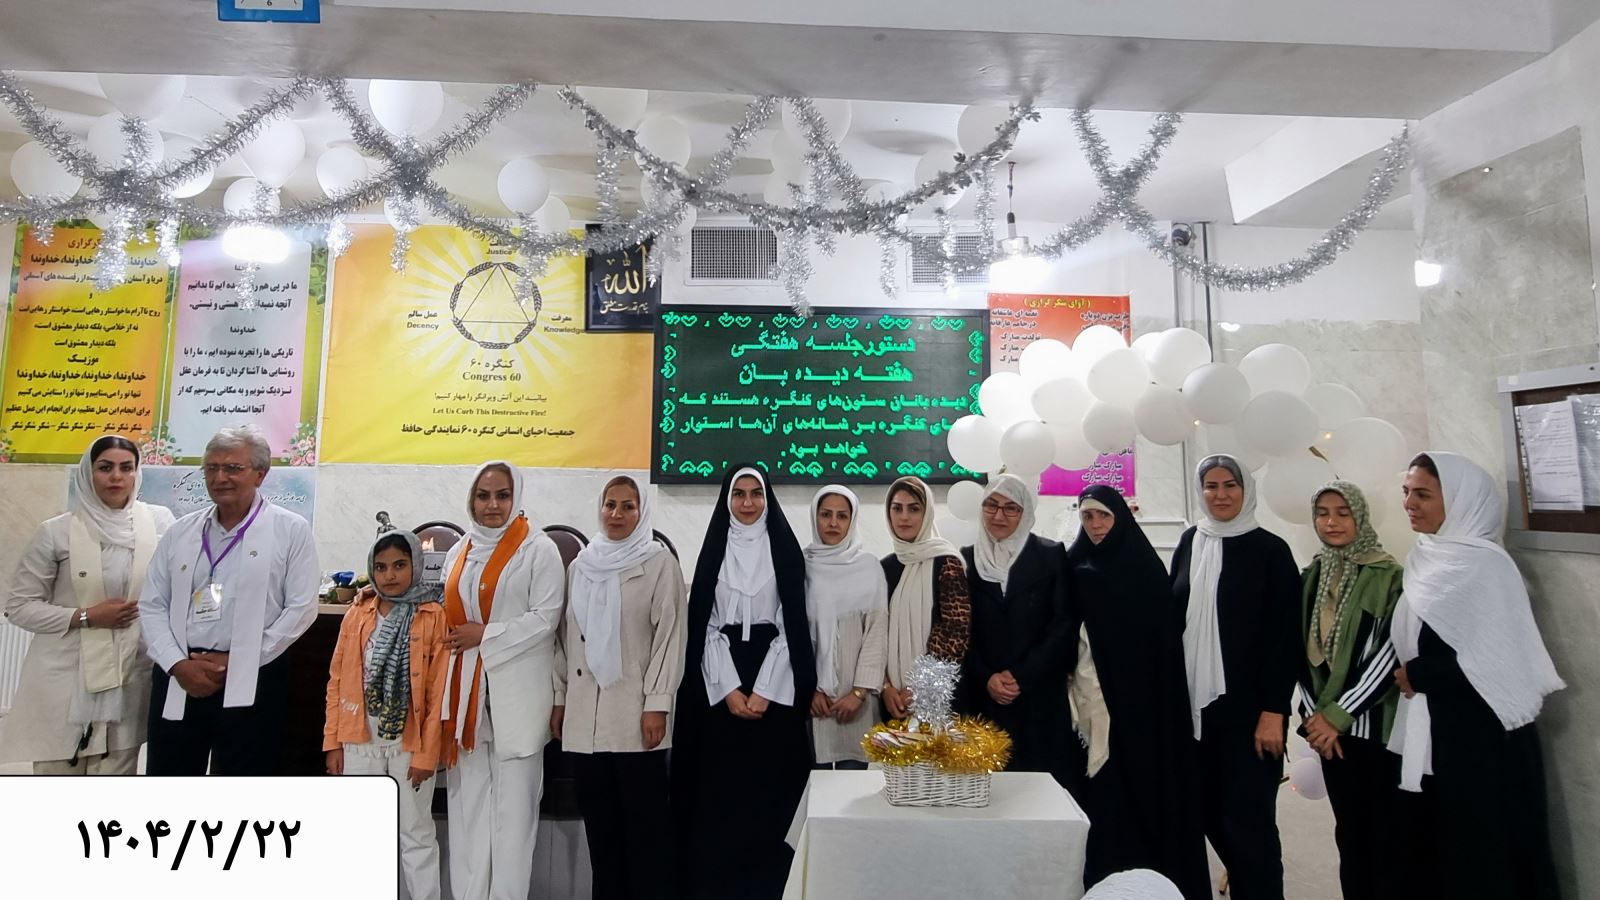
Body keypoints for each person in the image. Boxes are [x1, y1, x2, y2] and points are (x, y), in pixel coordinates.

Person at [1389, 452, 1563, 900]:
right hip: (1440, 735)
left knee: (1488, 860)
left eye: (1423, 494)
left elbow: (1498, 657)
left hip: (1485, 744)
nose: (1409, 503)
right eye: (1406, 491)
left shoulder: (1486, 566)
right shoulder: (1426, 555)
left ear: (1462, 500)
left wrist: (1418, 673)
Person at [141, 424, 320, 775]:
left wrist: (240, 660)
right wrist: (177, 664)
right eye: (211, 468)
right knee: (169, 779)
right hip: (181, 673)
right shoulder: (181, 531)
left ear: (260, 474)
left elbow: (300, 608)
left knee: (244, 782)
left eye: (233, 468)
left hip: (256, 674)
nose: (219, 477)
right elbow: (152, 604)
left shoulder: (290, 529)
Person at [671, 465, 814, 900]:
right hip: (721, 687)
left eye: (756, 494)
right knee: (721, 795)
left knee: (769, 797)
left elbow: (792, 627)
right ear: (727, 500)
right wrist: (731, 690)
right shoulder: (714, 551)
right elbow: (706, 626)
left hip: (776, 688)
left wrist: (764, 692)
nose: (748, 503)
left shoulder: (785, 552)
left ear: (767, 499)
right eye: (739, 494)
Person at [1066, 485, 1210, 900]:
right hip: (1090, 704)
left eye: (1104, 516)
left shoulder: (1144, 569)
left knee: (1143, 797)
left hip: (1142, 710)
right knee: (1099, 801)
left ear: (1120, 519)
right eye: (1088, 517)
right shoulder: (1072, 566)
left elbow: (1161, 647)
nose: (1096, 525)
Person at [1, 435, 175, 774]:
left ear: (137, 473)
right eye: (105, 467)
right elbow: (19, 606)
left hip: (129, 676)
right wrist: (86, 616)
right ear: (88, 473)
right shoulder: (56, 532)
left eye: (126, 468)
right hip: (66, 678)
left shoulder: (159, 524)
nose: (116, 477)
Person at [1168, 454, 1299, 900]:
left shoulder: (1271, 551)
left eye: (1230, 485)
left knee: (1249, 827)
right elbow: (1174, 617)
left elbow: (1285, 640)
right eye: (1211, 486)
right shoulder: (1191, 541)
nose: (1220, 495)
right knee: (1205, 815)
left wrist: (1274, 711)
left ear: (1246, 490)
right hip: (1196, 716)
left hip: (1251, 717)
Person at [551, 475, 686, 900]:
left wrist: (658, 704)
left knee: (646, 834)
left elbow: (670, 638)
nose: (617, 514)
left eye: (628, 506)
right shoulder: (580, 566)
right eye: (610, 504)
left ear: (642, 512)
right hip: (584, 721)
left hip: (635, 718)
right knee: (601, 833)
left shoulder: (659, 564)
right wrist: (560, 700)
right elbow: (565, 640)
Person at [439, 460, 565, 900]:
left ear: (517, 498)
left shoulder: (538, 549)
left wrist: (485, 635)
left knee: (513, 822)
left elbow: (546, 619)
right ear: (471, 500)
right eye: (483, 496)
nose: (492, 505)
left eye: (502, 495)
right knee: (468, 813)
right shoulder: (459, 551)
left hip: (518, 700)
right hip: (467, 703)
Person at [324, 530, 449, 900]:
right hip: (358, 739)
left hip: (410, 743)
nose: (390, 575)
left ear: (415, 565)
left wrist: (427, 755)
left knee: (416, 832)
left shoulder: (433, 614)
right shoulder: (358, 612)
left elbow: (437, 691)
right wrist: (333, 742)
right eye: (380, 567)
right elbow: (336, 680)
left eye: (399, 565)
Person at [1296, 481, 1404, 900]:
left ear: (1360, 516)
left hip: (1371, 729)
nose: (1332, 522)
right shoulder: (1312, 575)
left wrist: (1337, 717)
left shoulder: (1388, 575)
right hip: (1328, 737)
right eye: (1323, 513)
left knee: (1385, 837)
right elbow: (1298, 651)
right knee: (1350, 835)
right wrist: (1314, 720)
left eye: (1343, 513)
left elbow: (1388, 654)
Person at [959, 474, 1080, 789]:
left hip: (1038, 696)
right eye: (991, 505)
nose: (999, 515)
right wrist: (987, 677)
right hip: (984, 698)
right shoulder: (966, 559)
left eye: (1010, 508)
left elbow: (1063, 623)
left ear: (1025, 512)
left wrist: (1021, 676)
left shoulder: (1050, 555)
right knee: (987, 792)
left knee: (1039, 791)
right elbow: (960, 628)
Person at [803, 485, 888, 769]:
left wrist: (859, 693)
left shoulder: (869, 567)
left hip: (857, 703)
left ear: (852, 520)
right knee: (815, 780)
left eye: (842, 516)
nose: (833, 523)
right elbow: (795, 633)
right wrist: (810, 689)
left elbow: (876, 632)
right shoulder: (802, 566)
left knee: (853, 782)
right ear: (814, 517)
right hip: (814, 701)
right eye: (825, 514)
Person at [880, 475, 970, 718]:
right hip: (892, 700)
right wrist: (886, 687)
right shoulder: (884, 568)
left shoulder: (947, 562)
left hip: (937, 696)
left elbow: (955, 631)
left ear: (927, 512)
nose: (904, 517)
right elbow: (876, 632)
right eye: (897, 508)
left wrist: (919, 687)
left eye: (914, 509)